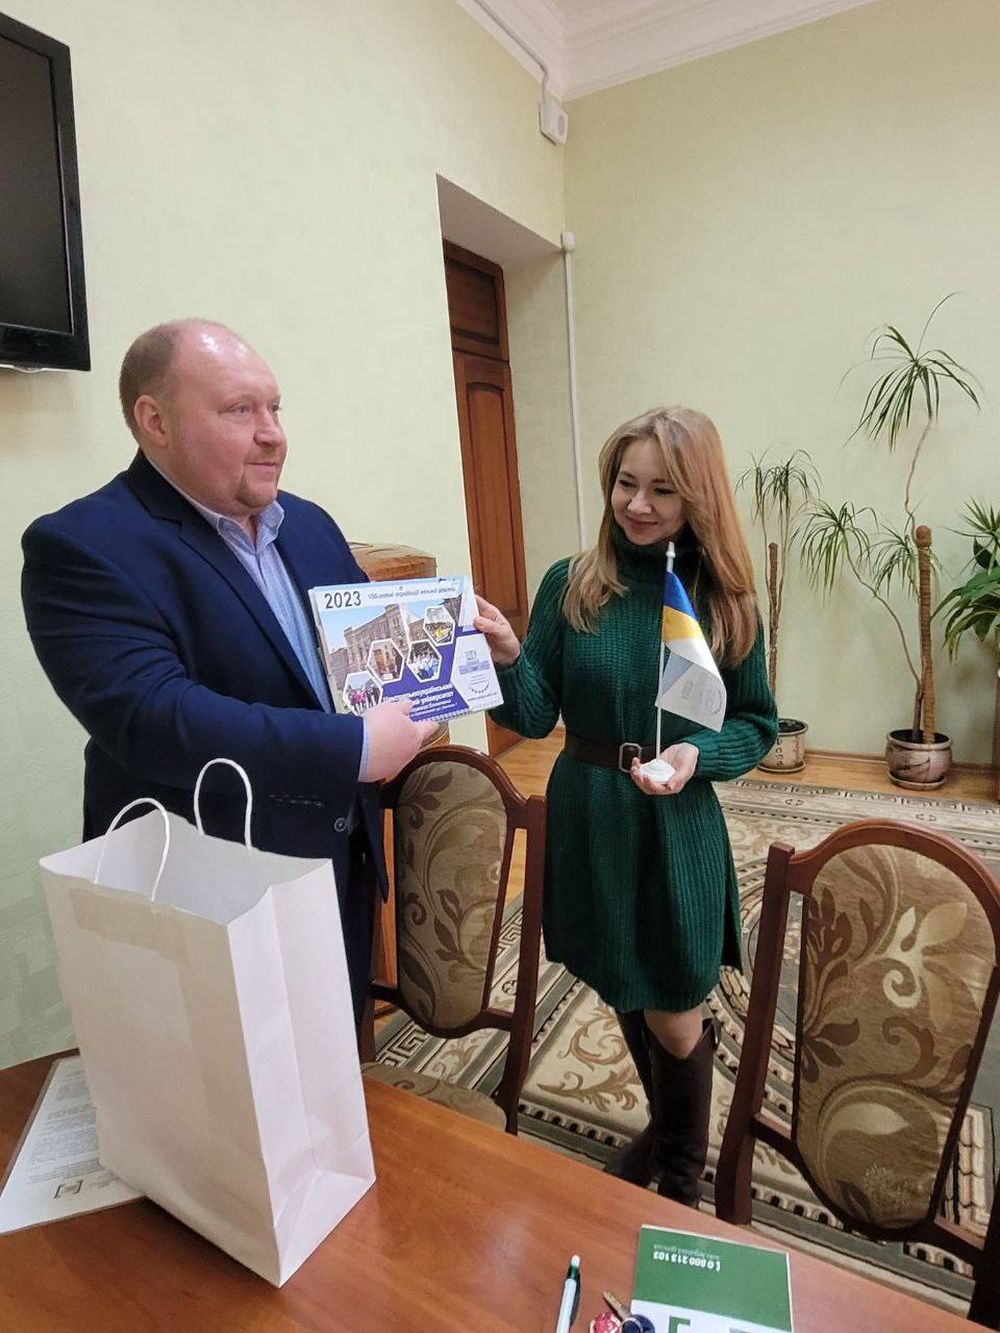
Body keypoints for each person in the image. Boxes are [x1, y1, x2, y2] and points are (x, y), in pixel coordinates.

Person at [21, 319, 437, 1031]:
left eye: (274, 407)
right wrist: (356, 748)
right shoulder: (83, 545)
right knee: (213, 1085)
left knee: (330, 1056)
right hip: (201, 888)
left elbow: (360, 661)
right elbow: (151, 715)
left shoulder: (310, 525)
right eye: (240, 410)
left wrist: (459, 652)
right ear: (154, 420)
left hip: (337, 859)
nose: (273, 434)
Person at [474, 406, 778, 1206]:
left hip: (676, 821)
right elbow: (533, 713)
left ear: (698, 498)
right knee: (620, 981)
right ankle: (666, 1132)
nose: (637, 504)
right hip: (589, 815)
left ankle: (679, 1180)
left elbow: (756, 722)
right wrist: (508, 655)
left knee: (673, 1002)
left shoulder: (722, 599)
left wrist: (697, 755)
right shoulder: (571, 583)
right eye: (625, 483)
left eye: (662, 490)